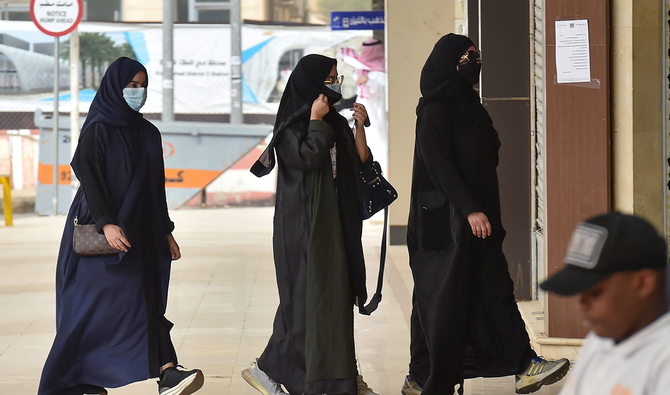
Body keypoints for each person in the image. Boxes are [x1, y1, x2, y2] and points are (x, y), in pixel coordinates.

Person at [404, 33, 569, 395]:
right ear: (449, 62)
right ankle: (423, 377)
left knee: (492, 289)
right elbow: (441, 166)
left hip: (478, 223)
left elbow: (487, 151)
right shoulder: (433, 111)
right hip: (446, 226)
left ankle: (523, 364)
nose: (475, 61)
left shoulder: (469, 105)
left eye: (476, 54)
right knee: (439, 301)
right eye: (467, 55)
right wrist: (469, 209)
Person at [37, 57, 204, 395]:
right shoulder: (99, 127)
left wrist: (166, 231)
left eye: (142, 86)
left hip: (140, 231)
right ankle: (72, 382)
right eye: (131, 85)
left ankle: (167, 372)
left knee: (147, 299)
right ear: (116, 86)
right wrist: (108, 224)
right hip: (100, 234)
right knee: (90, 312)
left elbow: (155, 188)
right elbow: (89, 178)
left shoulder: (148, 133)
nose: (137, 92)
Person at [248, 54, 378, 395]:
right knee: (309, 301)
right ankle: (295, 374)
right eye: (329, 79)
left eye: (336, 79)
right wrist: (316, 121)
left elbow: (360, 162)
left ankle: (337, 377)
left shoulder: (333, 121)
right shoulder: (292, 125)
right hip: (304, 228)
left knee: (334, 298)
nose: (335, 85)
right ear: (311, 82)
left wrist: (358, 128)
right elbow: (306, 158)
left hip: (335, 224)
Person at [540, 212, 670, 395]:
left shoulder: (663, 360)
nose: (581, 304)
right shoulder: (600, 341)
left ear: (643, 283)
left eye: (594, 292)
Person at [341, 38, 388, 172]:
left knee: (379, 143)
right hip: (363, 116)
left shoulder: (380, 71)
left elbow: (383, 91)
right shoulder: (363, 70)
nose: (363, 54)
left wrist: (368, 81)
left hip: (376, 114)